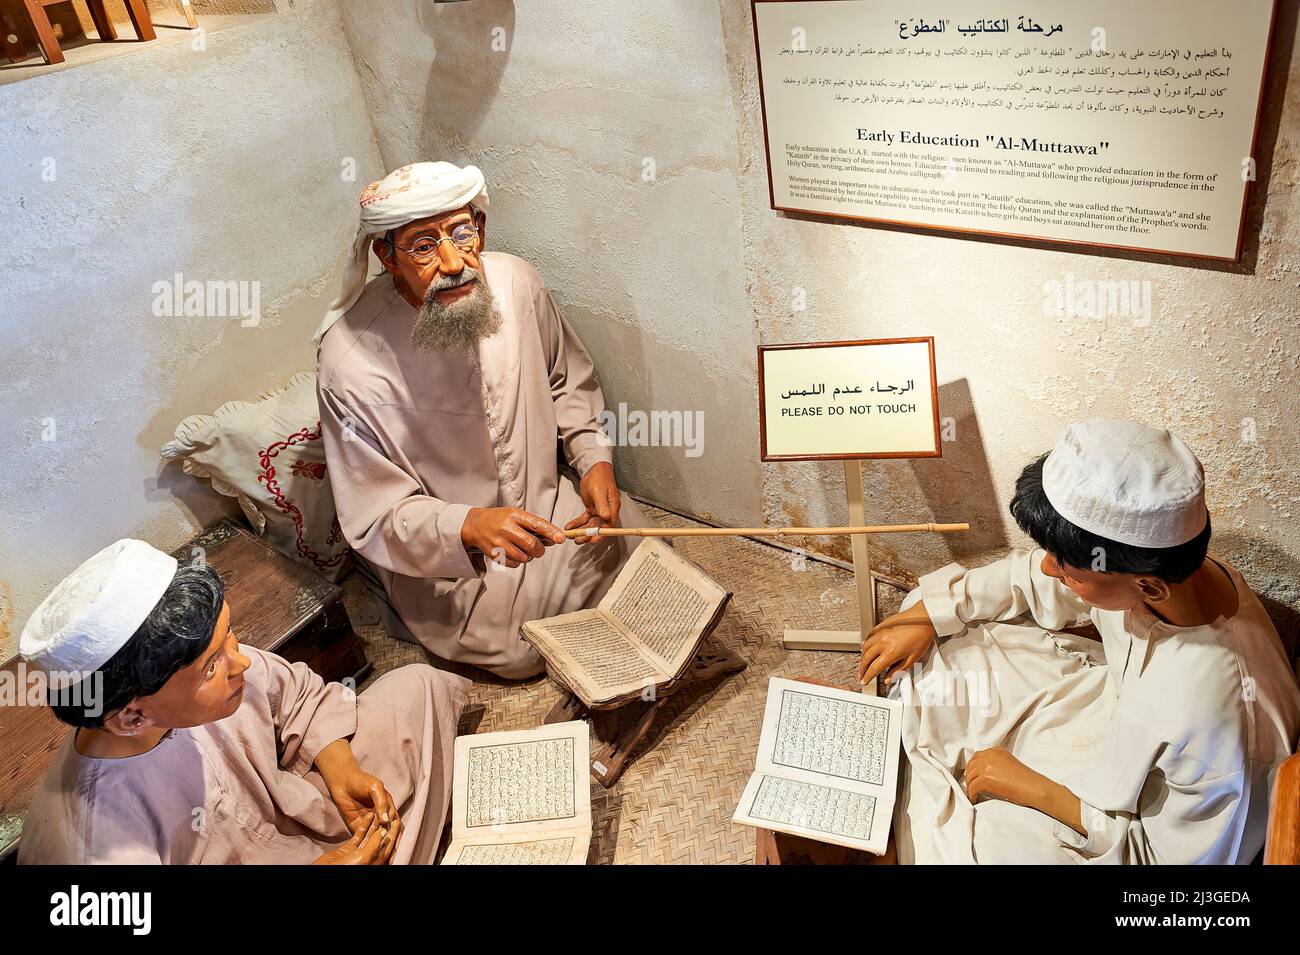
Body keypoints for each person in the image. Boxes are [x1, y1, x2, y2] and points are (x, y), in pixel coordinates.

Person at [860, 419, 1300, 863]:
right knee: (936, 624)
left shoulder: (1219, 725)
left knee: (980, 845)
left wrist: (1032, 789)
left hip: (1120, 814)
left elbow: (1161, 860)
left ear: (1147, 587)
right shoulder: (1171, 575)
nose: (1051, 569)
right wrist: (927, 614)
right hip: (1097, 710)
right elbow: (1036, 576)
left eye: (1068, 567)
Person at [314, 161, 648, 678]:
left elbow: (567, 379)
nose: (452, 262)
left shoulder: (516, 283)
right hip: (452, 556)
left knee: (647, 551)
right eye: (423, 246)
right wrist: (467, 524)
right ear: (385, 255)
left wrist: (593, 459)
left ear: (481, 228)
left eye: (461, 233)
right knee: (521, 655)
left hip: (546, 506)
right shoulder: (350, 363)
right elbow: (376, 511)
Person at [18, 539, 467, 864]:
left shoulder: (210, 668)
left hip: (296, 816)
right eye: (212, 665)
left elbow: (297, 697)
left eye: (229, 634)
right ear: (132, 714)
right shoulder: (89, 845)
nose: (240, 663)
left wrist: (342, 770)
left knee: (418, 687)